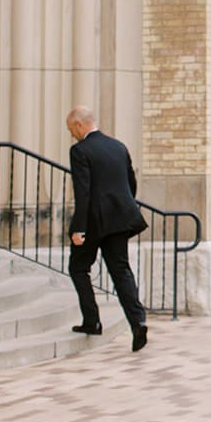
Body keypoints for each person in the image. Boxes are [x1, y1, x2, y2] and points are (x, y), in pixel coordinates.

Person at [65, 107, 149, 353]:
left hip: (94, 222)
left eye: (72, 129)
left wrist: (78, 228)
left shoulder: (80, 151)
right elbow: (130, 184)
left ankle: (92, 321)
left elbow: (83, 192)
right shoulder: (118, 146)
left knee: (78, 267)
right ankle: (138, 321)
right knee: (121, 270)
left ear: (80, 125)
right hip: (120, 219)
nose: (72, 135)